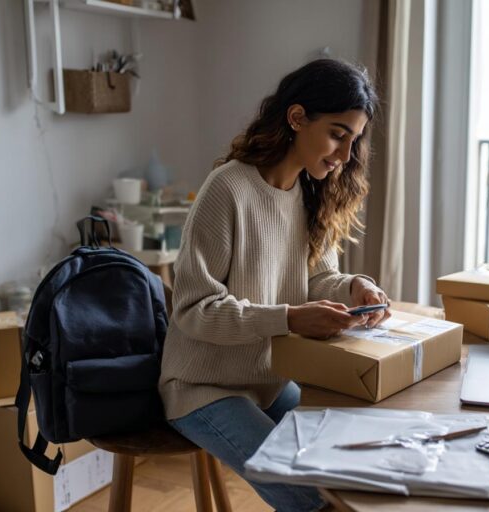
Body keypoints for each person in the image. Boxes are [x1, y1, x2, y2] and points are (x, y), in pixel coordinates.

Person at [159, 59, 390, 511]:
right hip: (203, 388)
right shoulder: (227, 190)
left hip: (269, 381)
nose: (345, 156)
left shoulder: (309, 192)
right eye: (338, 134)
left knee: (349, 466)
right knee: (311, 499)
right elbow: (194, 310)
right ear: (297, 118)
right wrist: (288, 319)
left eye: (354, 140)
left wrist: (355, 286)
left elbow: (318, 277)